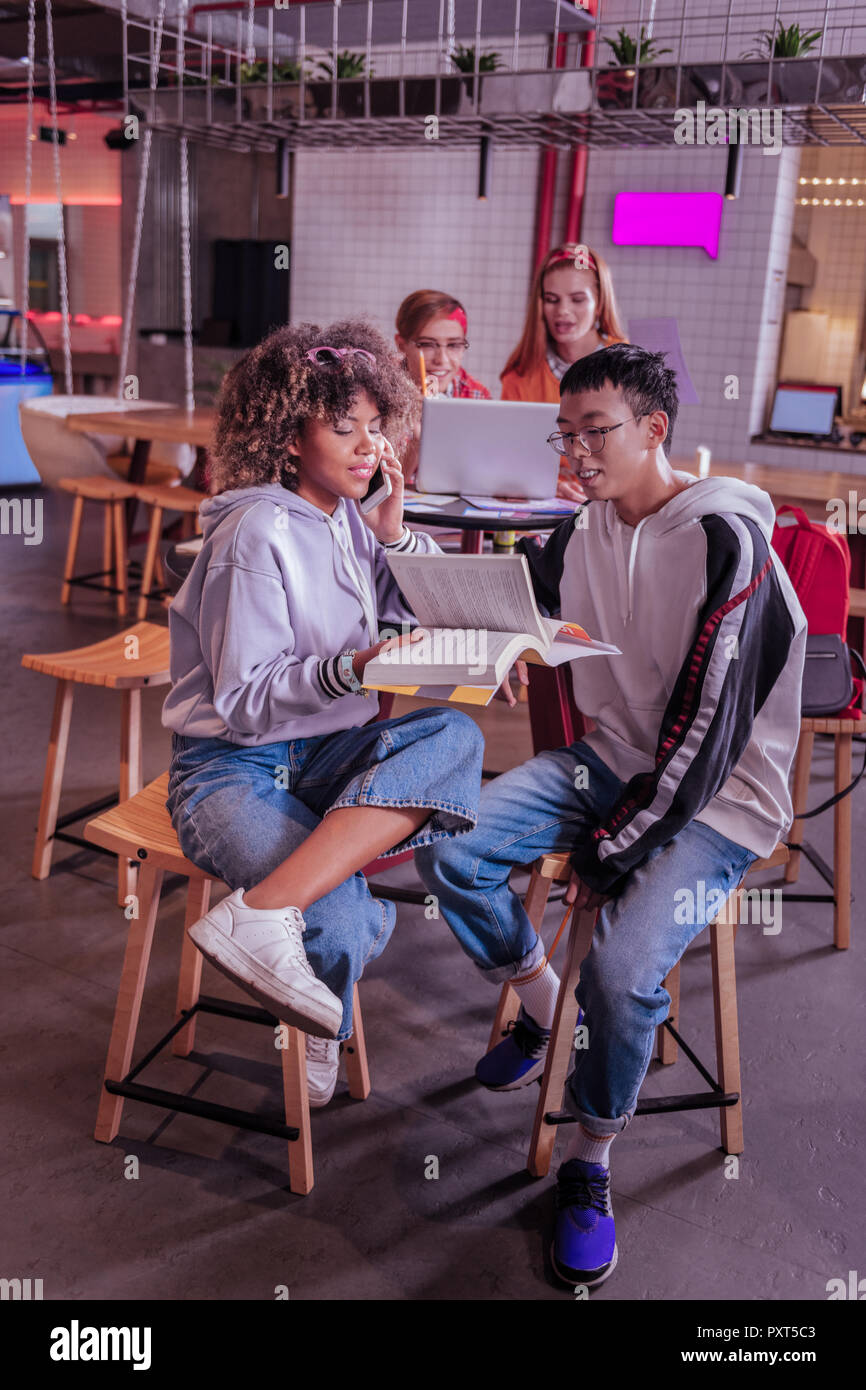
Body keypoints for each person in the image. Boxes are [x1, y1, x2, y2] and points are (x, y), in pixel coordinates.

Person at [416, 344, 807, 1289]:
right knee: (443, 843)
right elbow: (522, 592)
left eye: (597, 432)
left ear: (655, 429)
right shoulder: (582, 527)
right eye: (568, 433)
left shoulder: (729, 545)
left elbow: (709, 732)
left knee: (625, 972)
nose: (578, 452)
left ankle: (590, 1163)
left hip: (720, 800)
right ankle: (551, 1012)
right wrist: (508, 635)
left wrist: (616, 844)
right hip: (609, 765)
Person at [162, 319, 484, 1108]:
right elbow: (243, 701)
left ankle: (260, 919)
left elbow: (415, 607)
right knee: (343, 922)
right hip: (231, 772)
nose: (369, 446)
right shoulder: (256, 531)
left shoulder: (345, 519)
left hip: (325, 754)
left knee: (455, 735)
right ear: (286, 434)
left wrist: (396, 538)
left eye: (377, 428)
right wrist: (354, 668)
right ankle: (316, 1018)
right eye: (344, 427)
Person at [502, 243, 627, 505]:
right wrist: (549, 483)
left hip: (612, 507)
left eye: (577, 299)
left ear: (600, 302)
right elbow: (511, 458)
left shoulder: (627, 367)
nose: (563, 312)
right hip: (544, 506)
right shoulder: (520, 375)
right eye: (552, 299)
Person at [395, 289, 490, 402]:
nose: (441, 360)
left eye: (453, 345)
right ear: (401, 345)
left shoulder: (476, 396)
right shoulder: (378, 394)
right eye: (427, 345)